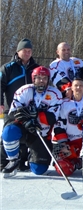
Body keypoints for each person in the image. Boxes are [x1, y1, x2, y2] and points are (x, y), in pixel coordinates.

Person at [2, 66, 63, 176]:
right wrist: (26, 122)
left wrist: (36, 115)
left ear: (48, 80)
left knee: (39, 170)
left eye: (44, 78)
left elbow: (52, 118)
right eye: (38, 78)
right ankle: (14, 160)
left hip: (41, 133)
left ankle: (32, 156)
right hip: (24, 129)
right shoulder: (24, 90)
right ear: (33, 79)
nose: (41, 81)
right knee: (9, 130)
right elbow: (13, 113)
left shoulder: (55, 94)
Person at [0, 38, 40, 171]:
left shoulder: (35, 68)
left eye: (30, 51)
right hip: (12, 108)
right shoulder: (8, 68)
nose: (28, 53)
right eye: (25, 51)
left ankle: (22, 162)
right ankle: (3, 161)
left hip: (30, 109)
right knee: (8, 132)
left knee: (25, 134)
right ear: (18, 51)